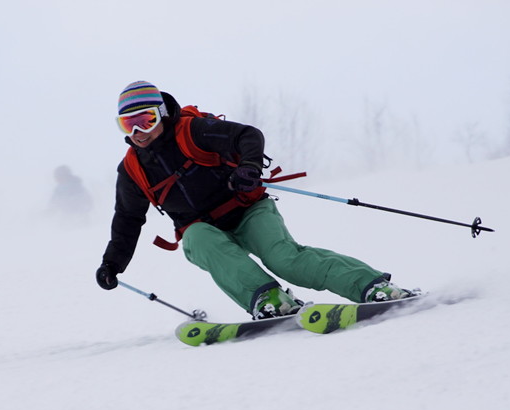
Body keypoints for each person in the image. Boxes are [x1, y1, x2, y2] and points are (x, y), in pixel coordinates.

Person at [96, 81, 415, 319]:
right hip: (203, 229)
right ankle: (270, 299)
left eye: (146, 119)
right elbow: (127, 218)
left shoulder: (192, 130)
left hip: (248, 209)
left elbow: (246, 135)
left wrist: (248, 166)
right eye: (128, 124)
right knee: (197, 239)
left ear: (162, 114)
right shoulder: (132, 169)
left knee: (285, 260)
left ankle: (371, 286)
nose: (138, 131)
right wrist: (113, 263)